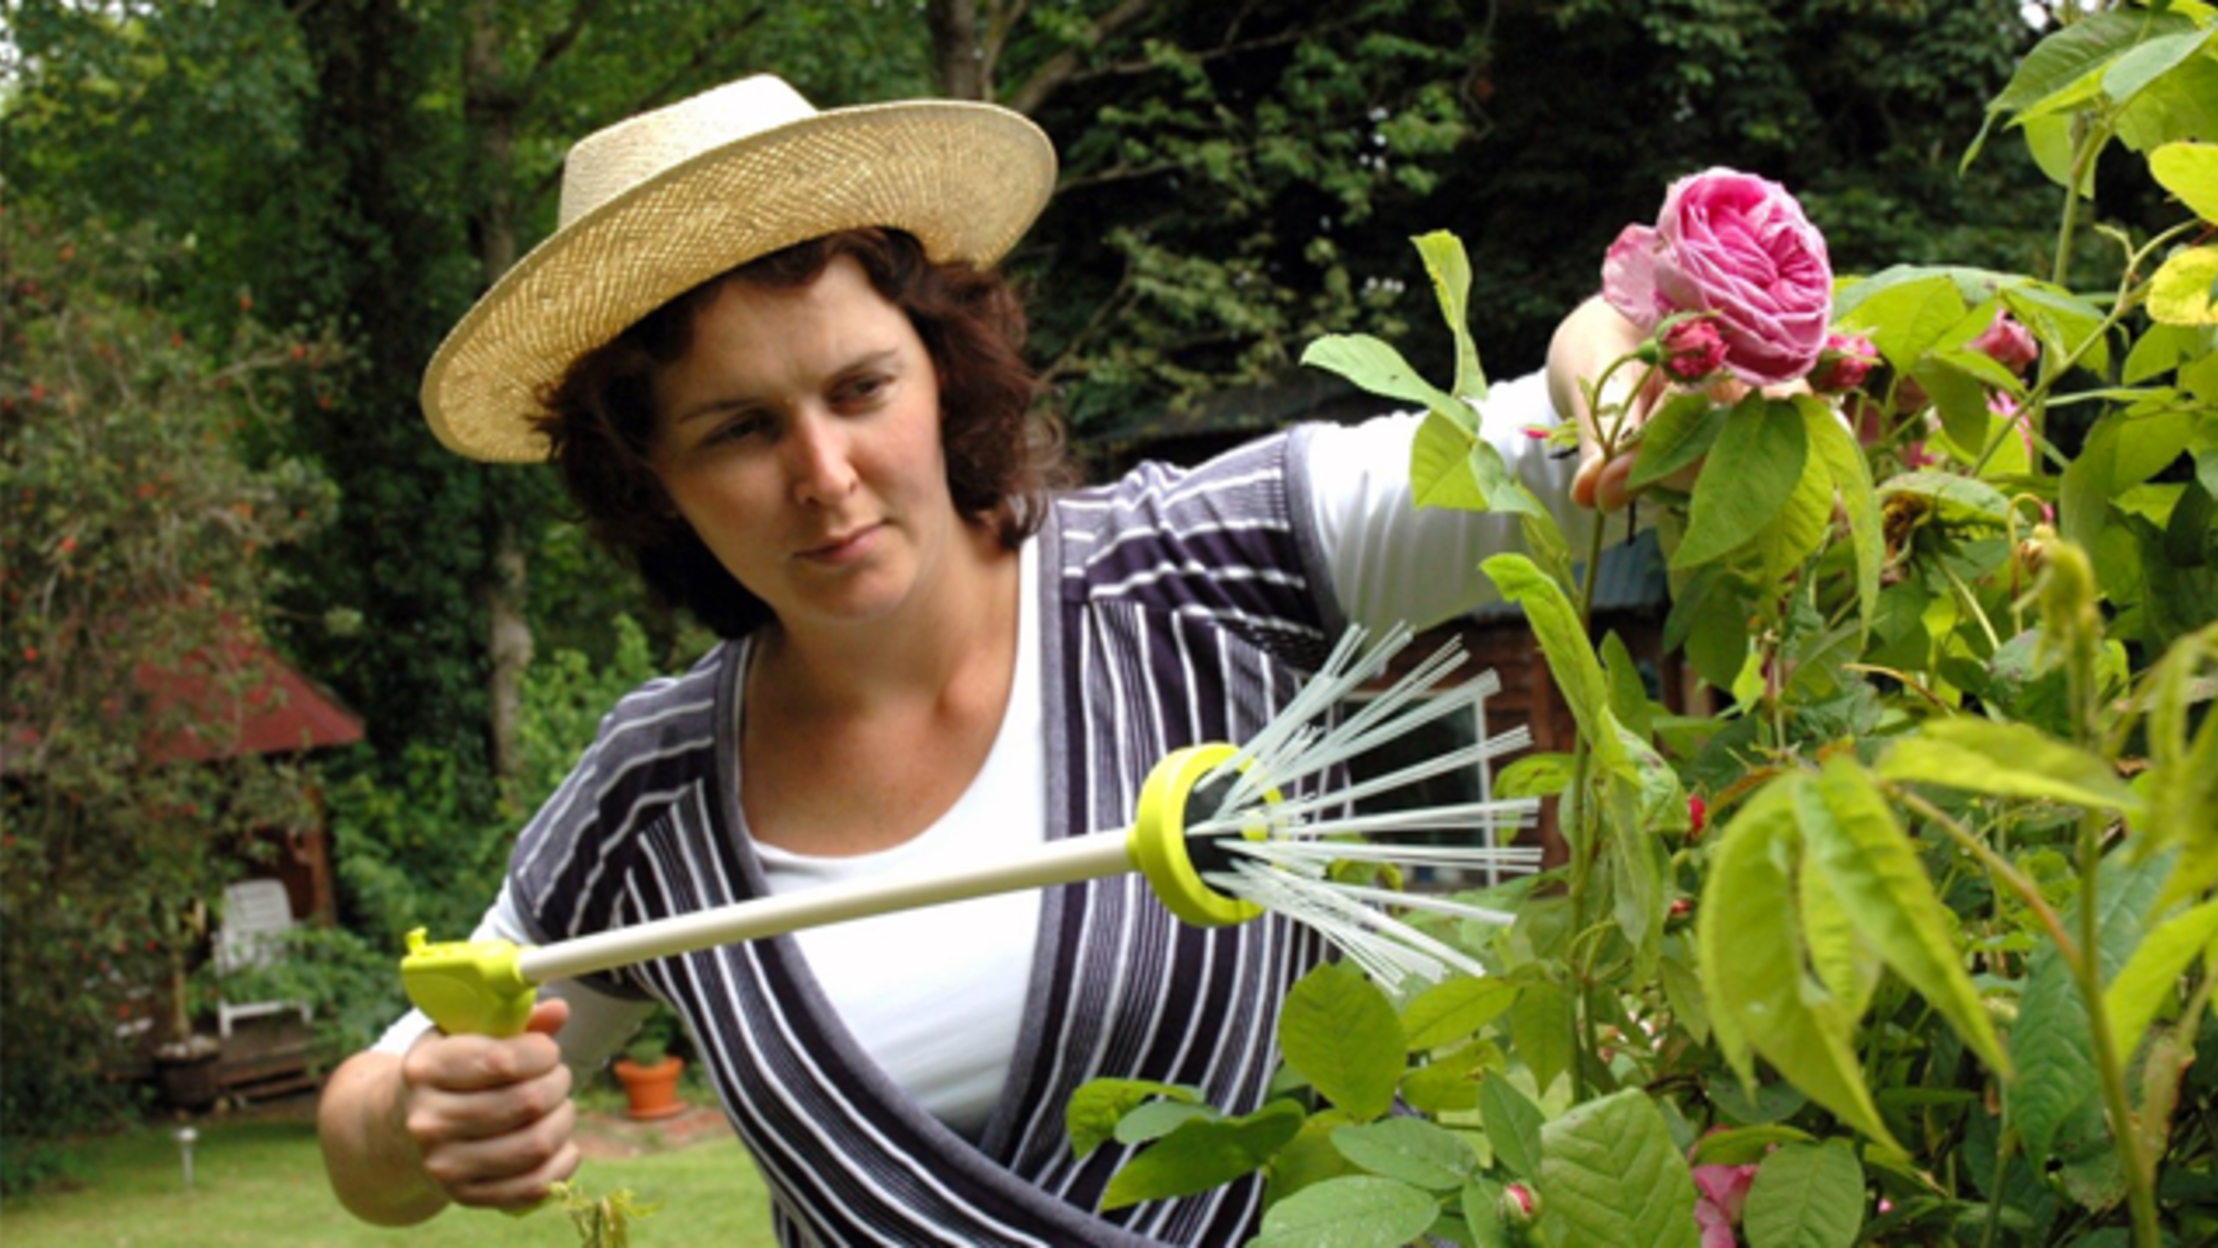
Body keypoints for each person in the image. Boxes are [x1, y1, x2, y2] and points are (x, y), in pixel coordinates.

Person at [317, 73, 1642, 1244]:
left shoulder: (1208, 564)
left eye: (858, 390)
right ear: (652, 480)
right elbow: (378, 1126)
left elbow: (1569, 434)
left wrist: (1618, 360)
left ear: (943, 370)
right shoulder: (656, 796)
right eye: (736, 429)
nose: (824, 477)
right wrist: (412, 1121)